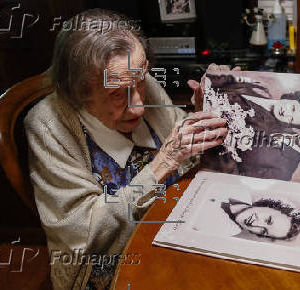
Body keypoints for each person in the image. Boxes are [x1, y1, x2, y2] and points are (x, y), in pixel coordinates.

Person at [24, 9, 233, 290]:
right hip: (108, 270)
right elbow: (86, 233)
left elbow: (185, 160)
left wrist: (204, 112)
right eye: (116, 94)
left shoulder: (137, 81)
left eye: (141, 81)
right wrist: (161, 164)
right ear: (77, 92)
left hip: (175, 235)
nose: (137, 106)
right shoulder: (48, 126)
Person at [221, 198, 300, 241]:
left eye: (263, 232)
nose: (255, 224)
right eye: (268, 220)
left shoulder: (224, 230)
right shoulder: (241, 193)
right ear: (270, 206)